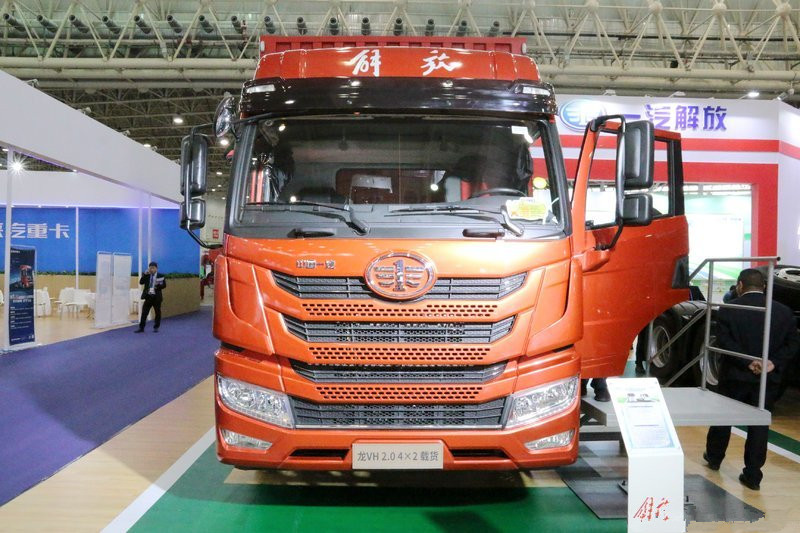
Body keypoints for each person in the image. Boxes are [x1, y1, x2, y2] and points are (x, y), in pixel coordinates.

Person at [703, 268, 799, 490]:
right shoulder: (783, 312)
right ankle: (753, 475)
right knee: (759, 425)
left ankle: (715, 458)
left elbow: (724, 342)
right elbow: (793, 344)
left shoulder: (729, 309)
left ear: (739, 285)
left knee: (723, 418)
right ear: (764, 287)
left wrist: (747, 361)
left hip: (735, 375)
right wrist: (771, 362)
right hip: (767, 378)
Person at [136, 261, 166, 333]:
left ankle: (156, 327)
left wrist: (158, 286)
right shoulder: (147, 275)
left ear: (156, 268)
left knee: (157, 313)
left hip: (156, 297)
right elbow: (141, 282)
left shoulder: (160, 275)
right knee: (144, 313)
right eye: (150, 268)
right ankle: (141, 328)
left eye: (153, 268)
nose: (151, 269)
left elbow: (164, 285)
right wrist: (144, 275)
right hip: (148, 297)